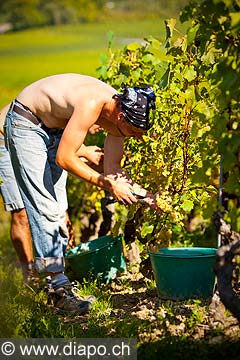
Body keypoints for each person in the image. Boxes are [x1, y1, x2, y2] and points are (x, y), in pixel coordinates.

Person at [3, 73, 159, 313]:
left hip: (53, 129)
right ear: (121, 115)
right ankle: (57, 290)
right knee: (44, 206)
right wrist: (107, 185)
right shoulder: (92, 102)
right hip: (27, 123)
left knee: (57, 208)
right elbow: (65, 158)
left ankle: (56, 282)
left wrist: (145, 195)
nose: (137, 136)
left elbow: (114, 172)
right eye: (134, 130)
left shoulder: (119, 117)